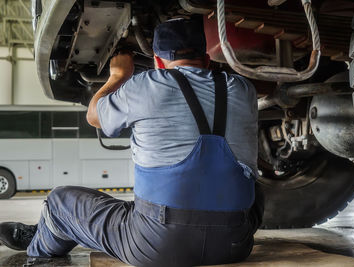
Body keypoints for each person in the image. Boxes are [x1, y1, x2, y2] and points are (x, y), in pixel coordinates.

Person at [0, 18, 261, 266]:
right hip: (234, 243)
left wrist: (118, 76)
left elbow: (94, 115)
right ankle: (45, 230)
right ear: (207, 58)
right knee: (253, 188)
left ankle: (40, 247)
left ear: (157, 60)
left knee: (59, 202)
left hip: (158, 245)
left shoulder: (145, 85)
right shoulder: (243, 89)